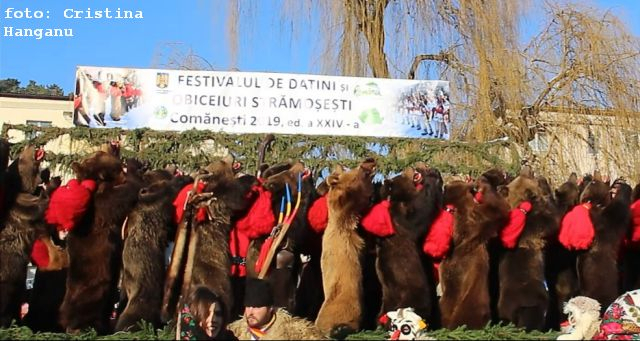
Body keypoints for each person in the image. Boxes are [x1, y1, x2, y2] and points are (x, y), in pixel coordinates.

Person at [228, 278, 327, 340]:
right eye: (248, 306)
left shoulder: (295, 332)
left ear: (271, 308)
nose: (250, 312)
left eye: (257, 307)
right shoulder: (234, 332)